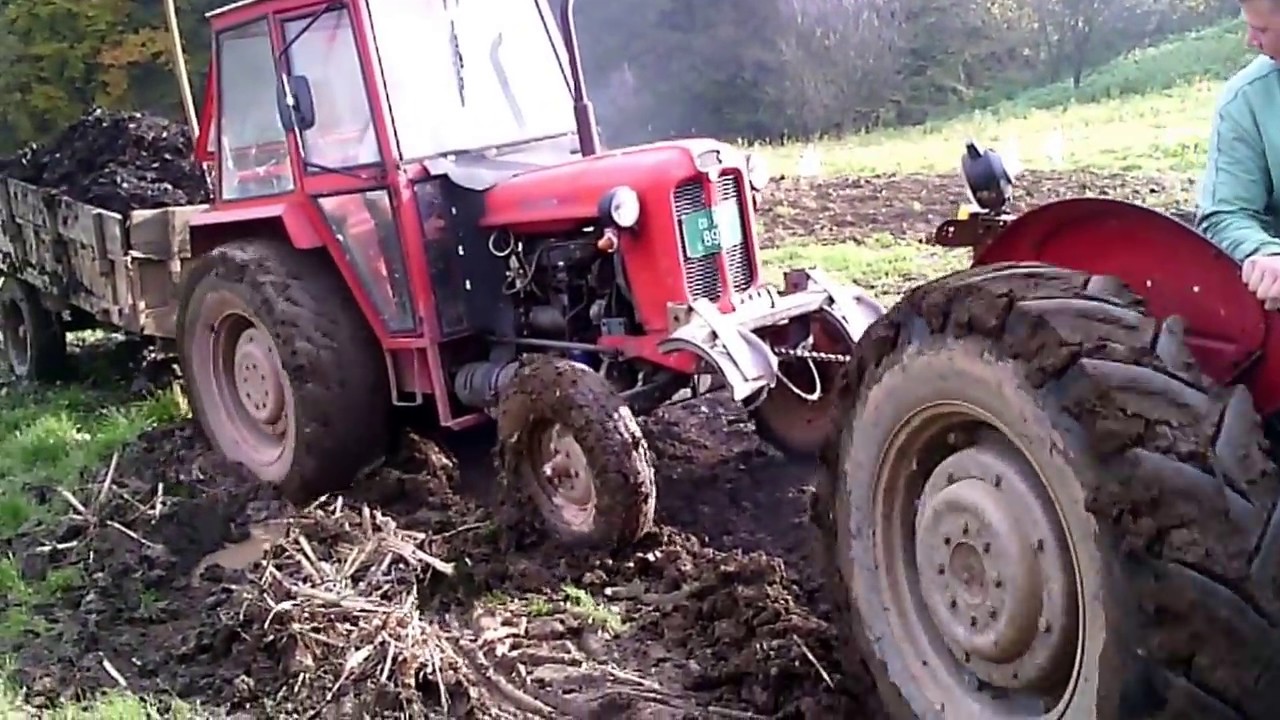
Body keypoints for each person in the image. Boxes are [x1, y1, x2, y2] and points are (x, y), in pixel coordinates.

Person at [1195, 0, 1280, 305]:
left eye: (1262, 30)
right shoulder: (1247, 98)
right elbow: (1226, 213)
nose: (1250, 41)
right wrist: (1266, 253)